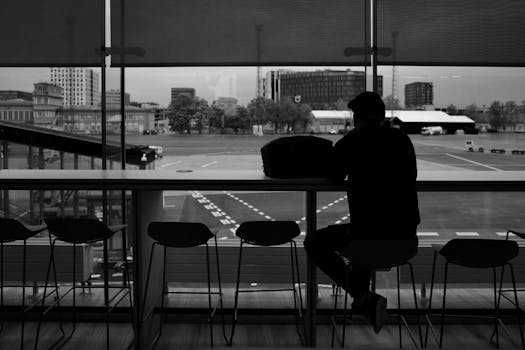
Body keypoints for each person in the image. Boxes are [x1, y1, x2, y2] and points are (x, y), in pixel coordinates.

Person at [304, 91, 420, 333]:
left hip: (366, 236)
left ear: (357, 117)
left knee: (315, 242)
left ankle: (365, 298)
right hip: (405, 237)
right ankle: (362, 303)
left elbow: (333, 174)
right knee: (362, 240)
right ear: (382, 115)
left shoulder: (353, 141)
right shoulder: (402, 140)